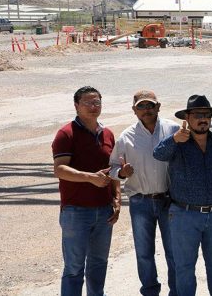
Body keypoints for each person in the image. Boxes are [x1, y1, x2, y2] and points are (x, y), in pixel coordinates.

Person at [153, 94, 212, 296]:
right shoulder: (177, 142)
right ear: (187, 117)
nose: (202, 119)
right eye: (197, 115)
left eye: (206, 115)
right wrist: (174, 139)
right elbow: (158, 154)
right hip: (184, 216)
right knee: (184, 267)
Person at [109, 90, 179, 296]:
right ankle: (150, 291)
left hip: (169, 200)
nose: (146, 110)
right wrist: (121, 172)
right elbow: (112, 168)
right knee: (144, 253)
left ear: (158, 106)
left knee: (174, 252)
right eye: (141, 106)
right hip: (141, 202)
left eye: (150, 105)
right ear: (134, 111)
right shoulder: (126, 137)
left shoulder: (172, 129)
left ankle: (176, 291)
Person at [52, 86, 120, 296]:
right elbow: (60, 169)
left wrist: (117, 198)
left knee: (99, 264)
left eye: (97, 102)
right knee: (74, 268)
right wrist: (89, 178)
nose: (93, 106)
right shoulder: (66, 133)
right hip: (76, 212)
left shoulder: (107, 134)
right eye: (88, 103)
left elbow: (113, 168)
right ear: (76, 106)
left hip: (104, 211)